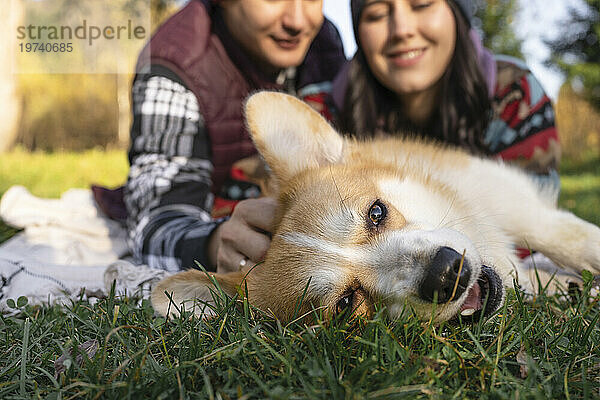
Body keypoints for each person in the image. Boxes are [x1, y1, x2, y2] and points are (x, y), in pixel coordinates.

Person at [123, 0, 346, 274]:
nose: (297, 21)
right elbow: (155, 229)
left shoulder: (324, 45)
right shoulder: (174, 65)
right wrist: (216, 244)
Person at [332, 0, 560, 198]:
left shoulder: (515, 93)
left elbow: (533, 226)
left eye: (422, 4)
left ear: (457, 14)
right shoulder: (322, 115)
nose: (401, 30)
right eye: (377, 14)